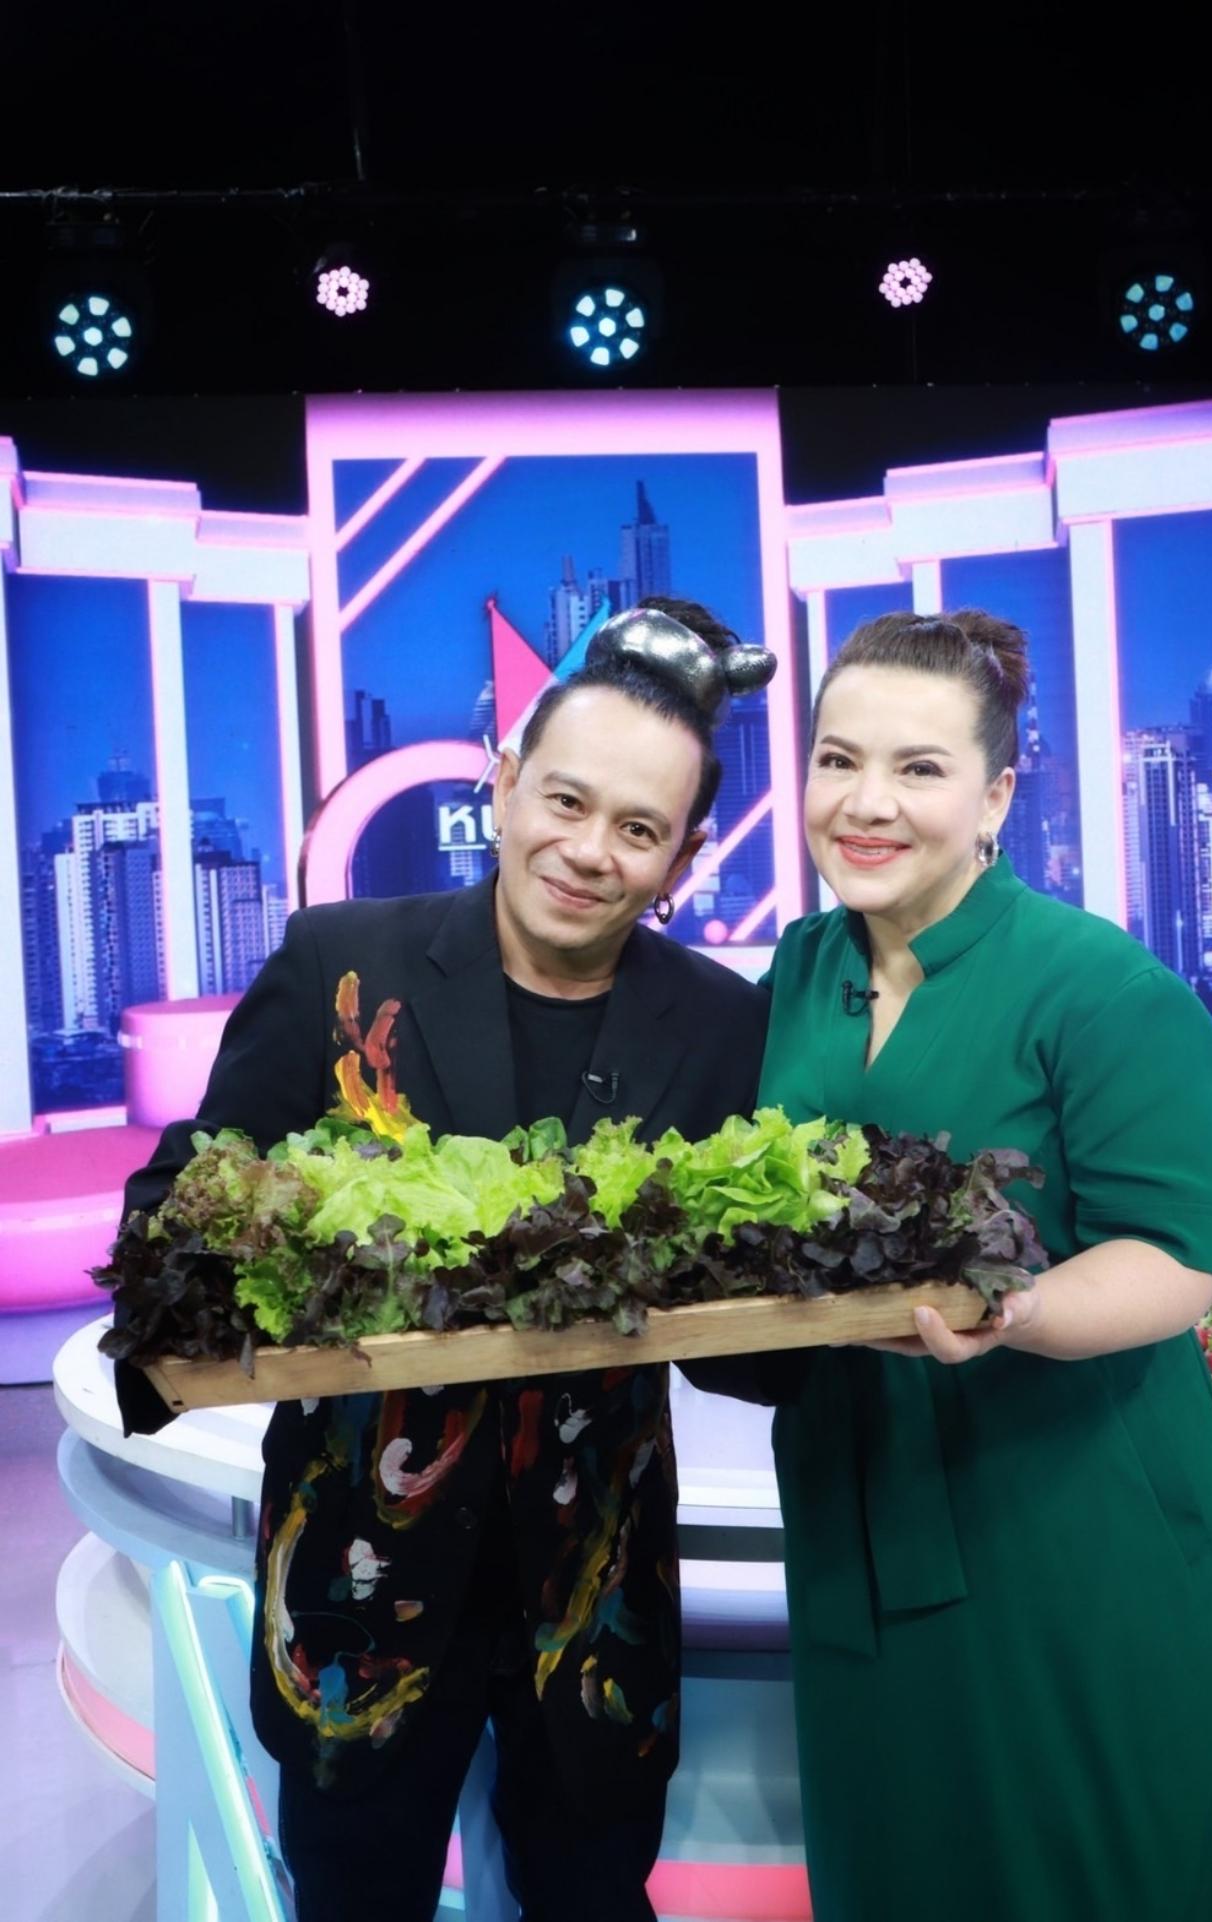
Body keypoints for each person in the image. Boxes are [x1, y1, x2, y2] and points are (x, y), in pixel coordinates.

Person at [113, 598, 774, 1922]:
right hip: (356, 1584)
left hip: (595, 1594)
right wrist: (230, 1277)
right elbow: (178, 1201)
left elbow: (742, 1319)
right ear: (505, 779)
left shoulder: (717, 1023)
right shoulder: (343, 963)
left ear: (685, 855)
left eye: (638, 828)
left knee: (595, 1899)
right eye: (566, 800)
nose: (588, 851)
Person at [755, 608, 1212, 1920]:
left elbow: (1175, 1260)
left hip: (1067, 1521)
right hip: (856, 1503)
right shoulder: (800, 969)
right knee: (898, 1868)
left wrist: (1020, 1309)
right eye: (837, 760)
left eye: (919, 769)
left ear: (995, 795)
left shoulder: (1104, 988)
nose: (866, 802)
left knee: (1093, 1872)